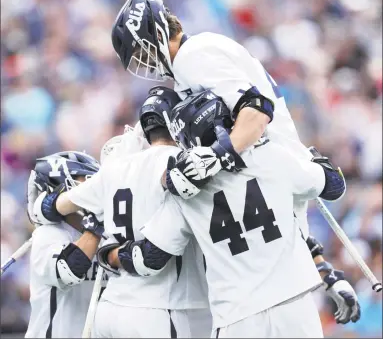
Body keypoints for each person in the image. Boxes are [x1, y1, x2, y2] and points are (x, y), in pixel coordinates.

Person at [110, 0, 361, 326]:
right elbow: (332, 183)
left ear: (155, 31)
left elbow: (257, 111)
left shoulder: (191, 56)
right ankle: (324, 271)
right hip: (277, 177)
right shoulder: (204, 51)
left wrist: (216, 157)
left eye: (140, 49)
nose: (144, 61)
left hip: (240, 303)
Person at [104, 91, 358, 338]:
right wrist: (307, 153)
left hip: (236, 316)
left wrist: (109, 254)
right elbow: (334, 186)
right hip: (295, 306)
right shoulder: (272, 155)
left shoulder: (185, 190)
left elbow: (150, 258)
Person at [32, 87, 211, 338]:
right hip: (164, 304)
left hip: (109, 308)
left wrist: (43, 208)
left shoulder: (115, 168)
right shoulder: (185, 163)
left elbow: (49, 208)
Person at [25, 151, 106, 338]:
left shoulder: (107, 233)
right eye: (85, 180)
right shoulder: (47, 235)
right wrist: (97, 226)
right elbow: (70, 268)